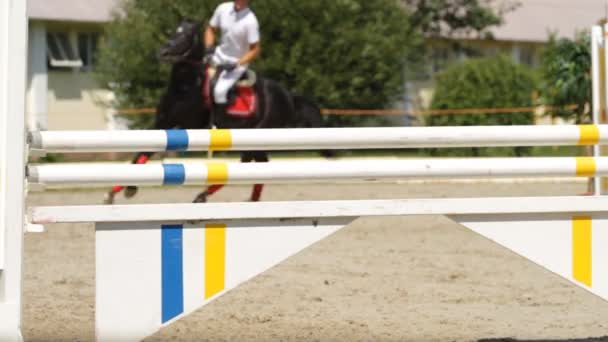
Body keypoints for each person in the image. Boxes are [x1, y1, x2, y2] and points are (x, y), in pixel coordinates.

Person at [204, 0, 260, 114]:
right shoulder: (223, 8)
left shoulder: (251, 21)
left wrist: (237, 63)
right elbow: (210, 29)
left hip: (236, 63)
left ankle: (218, 122)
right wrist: (209, 49)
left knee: (219, 91)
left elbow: (255, 49)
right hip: (217, 56)